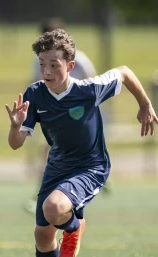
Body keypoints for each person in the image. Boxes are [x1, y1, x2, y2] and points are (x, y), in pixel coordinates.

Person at [5, 29, 158, 257]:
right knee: (42, 235)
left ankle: (74, 227)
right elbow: (16, 144)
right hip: (57, 167)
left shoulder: (89, 90)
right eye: (42, 64)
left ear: (70, 66)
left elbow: (124, 72)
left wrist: (144, 103)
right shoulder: (35, 94)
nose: (47, 70)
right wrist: (16, 126)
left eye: (54, 64)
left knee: (53, 208)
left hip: (90, 167)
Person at [24, 18, 102, 215]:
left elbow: (93, 78)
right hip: (53, 115)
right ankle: (42, 191)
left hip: (78, 114)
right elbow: (35, 82)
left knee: (83, 150)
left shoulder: (79, 58)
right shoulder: (38, 60)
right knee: (50, 151)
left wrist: (78, 99)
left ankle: (89, 178)